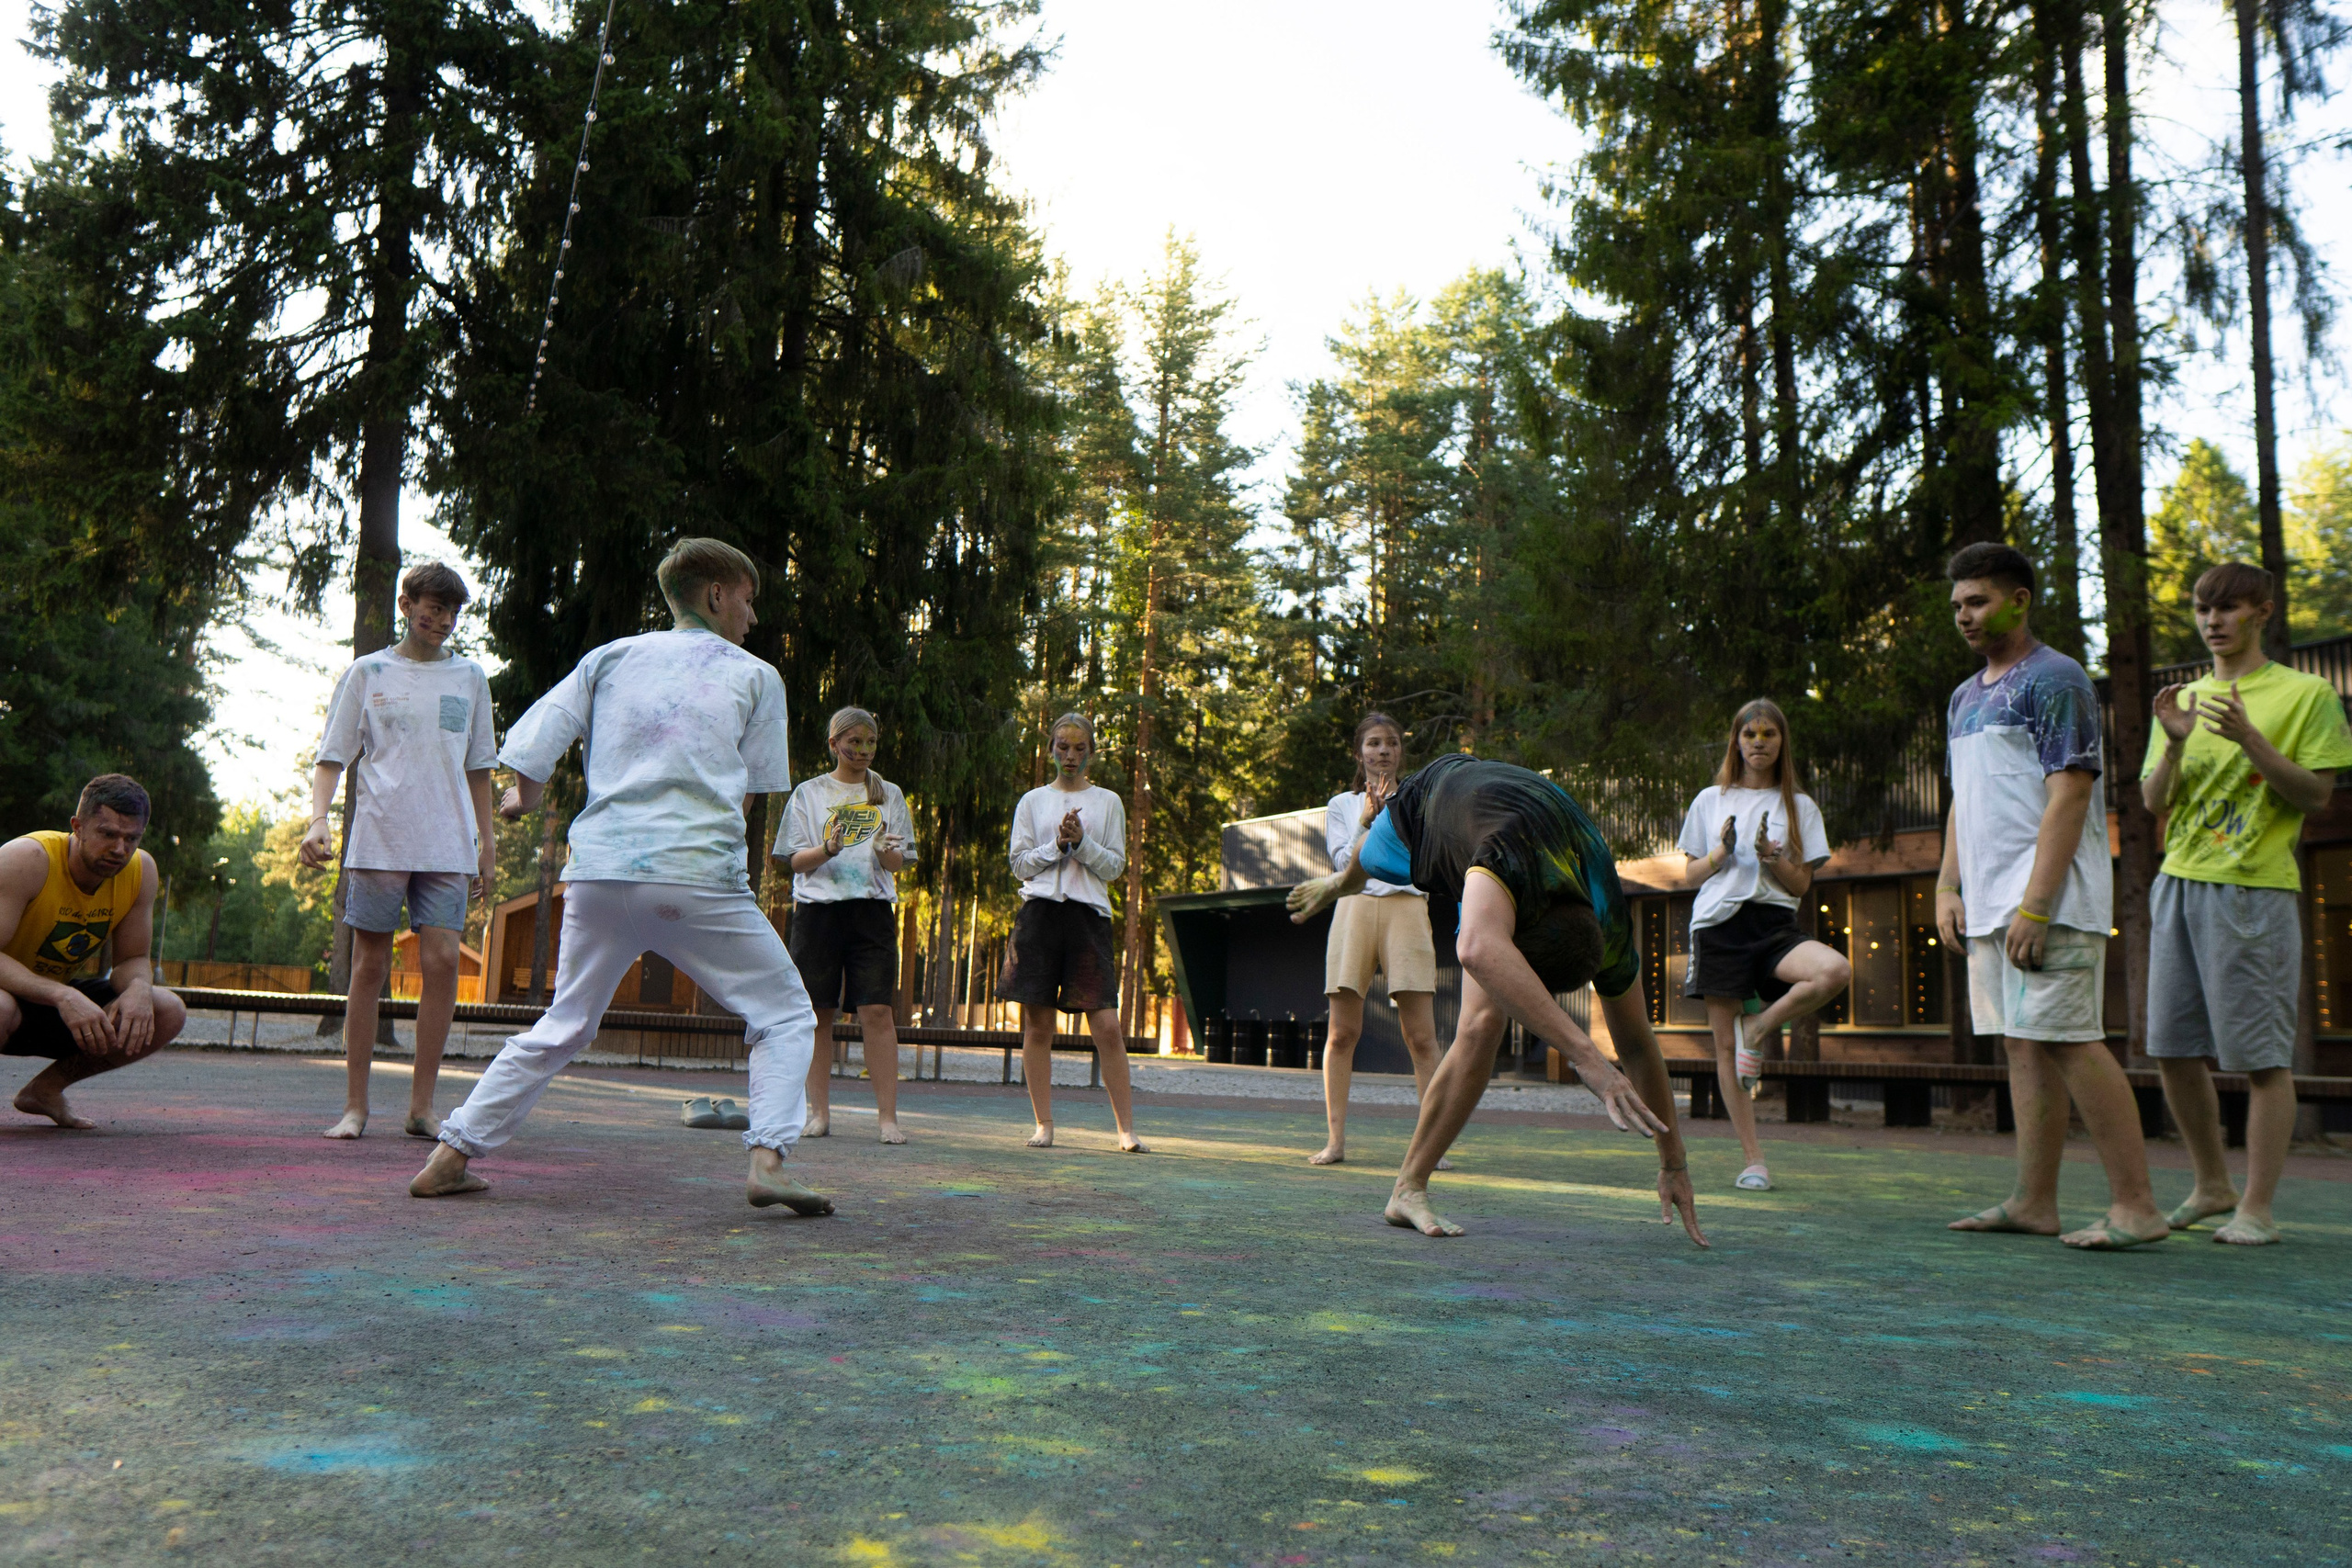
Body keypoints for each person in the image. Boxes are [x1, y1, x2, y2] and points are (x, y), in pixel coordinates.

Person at [410, 537, 830, 1215]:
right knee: (784, 1012)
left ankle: (449, 1154)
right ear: (718, 596)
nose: (752, 618)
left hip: (600, 873)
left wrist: (529, 797)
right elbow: (750, 795)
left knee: (565, 1021)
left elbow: (538, 737)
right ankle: (769, 1161)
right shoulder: (756, 675)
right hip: (694, 873)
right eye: (748, 601)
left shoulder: (610, 656)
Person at [1288, 751, 1706, 1245]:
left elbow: (1638, 1045)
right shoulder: (1499, 857)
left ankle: (1407, 1188)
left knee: (1482, 1021)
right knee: (1370, 861)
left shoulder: (1608, 920)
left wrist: (1674, 1160)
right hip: (1435, 799)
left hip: (1502, 821)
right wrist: (1589, 1059)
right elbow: (1477, 948)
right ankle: (1340, 883)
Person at [1939, 542, 2167, 1249]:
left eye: (1977, 601)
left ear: (2019, 598)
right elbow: (1962, 799)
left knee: (2072, 1043)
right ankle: (2034, 1201)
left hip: (2051, 902)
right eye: (1957, 606)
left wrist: (2036, 904)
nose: (1965, 616)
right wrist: (1948, 882)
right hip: (1989, 902)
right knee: (2023, 1045)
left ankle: (2137, 1207)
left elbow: (2071, 794)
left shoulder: (2056, 677)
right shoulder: (1964, 696)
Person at [2141, 562, 2352, 1246]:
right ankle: (2211, 1185)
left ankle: (2257, 1208)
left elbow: (2317, 796)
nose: (2212, 621)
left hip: (2255, 889)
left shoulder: (2306, 693)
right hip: (2178, 881)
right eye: (2204, 608)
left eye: (2228, 608)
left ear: (2262, 611)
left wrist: (2251, 739)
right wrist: (2173, 744)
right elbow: (2153, 801)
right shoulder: (2182, 699)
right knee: (2172, 1048)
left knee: (2262, 1058)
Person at [300, 561, 498, 1139]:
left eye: (452, 612)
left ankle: (422, 1107)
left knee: (440, 964)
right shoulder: (369, 671)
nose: (442, 621)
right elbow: (332, 756)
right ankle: (355, 1106)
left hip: (449, 844)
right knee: (369, 966)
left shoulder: (471, 678)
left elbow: (480, 767)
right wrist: (319, 821)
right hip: (380, 839)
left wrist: (487, 845)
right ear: (406, 604)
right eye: (433, 608)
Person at [1674, 699, 1849, 1191]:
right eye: (1749, 734)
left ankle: (1762, 1026)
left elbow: (1800, 886)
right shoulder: (1710, 799)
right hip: (1717, 926)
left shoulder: (1800, 806)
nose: (1757, 742)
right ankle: (1754, 1161)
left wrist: (1772, 855)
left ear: (1781, 742)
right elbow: (1688, 875)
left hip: (1774, 925)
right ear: (1736, 740)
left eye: (1768, 734)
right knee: (1723, 1048)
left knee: (1834, 970)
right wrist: (1720, 854)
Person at [0, 774, 187, 1127]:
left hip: (44, 1001)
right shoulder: (27, 859)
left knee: (167, 1009)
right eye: (108, 834)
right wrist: (61, 995)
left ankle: (45, 1091)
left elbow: (132, 959)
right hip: (15, 998)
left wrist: (138, 988)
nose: (120, 849)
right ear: (78, 826)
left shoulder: (140, 870)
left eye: (132, 838)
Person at [1001, 714, 1147, 1152]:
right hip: (1038, 917)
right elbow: (1019, 864)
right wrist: (1058, 846)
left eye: (1079, 748)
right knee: (1037, 1024)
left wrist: (1081, 842)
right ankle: (1044, 1124)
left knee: (1106, 1025)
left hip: (1088, 920)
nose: (1070, 755)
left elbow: (1115, 867)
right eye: (1062, 747)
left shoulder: (1108, 801)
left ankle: (1126, 1130)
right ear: (1050, 750)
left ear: (1091, 752)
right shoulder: (1032, 801)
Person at [780, 705, 917, 1145]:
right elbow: (794, 862)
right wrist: (828, 849)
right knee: (818, 1012)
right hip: (818, 913)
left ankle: (887, 1119)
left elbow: (900, 863)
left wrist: (882, 852)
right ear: (834, 744)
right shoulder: (809, 793)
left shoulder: (888, 794)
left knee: (877, 1011)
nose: (863, 751)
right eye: (854, 742)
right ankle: (818, 1113)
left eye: (870, 742)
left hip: (871, 913)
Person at [1312, 713, 1444, 1167]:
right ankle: (1335, 1142)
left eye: (1391, 742)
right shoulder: (1340, 805)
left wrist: (1393, 814)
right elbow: (1346, 863)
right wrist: (1366, 821)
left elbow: (1424, 861)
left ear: (1400, 751)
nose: (1383, 750)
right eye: (1373, 743)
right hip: (1354, 907)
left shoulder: (1420, 800)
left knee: (1422, 1037)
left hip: (1408, 908)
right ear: (1359, 752)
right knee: (1342, 1032)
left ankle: (1433, 1144)